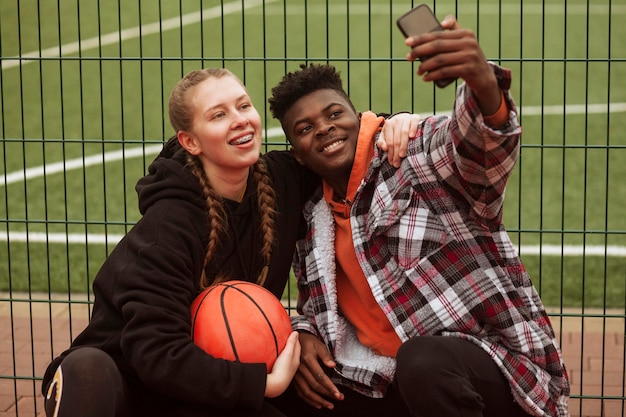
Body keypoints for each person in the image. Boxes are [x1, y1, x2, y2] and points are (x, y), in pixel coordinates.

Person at [40, 68, 420, 417]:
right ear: (190, 141)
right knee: (88, 369)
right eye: (218, 115)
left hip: (210, 376)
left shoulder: (281, 180)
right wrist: (261, 383)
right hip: (134, 383)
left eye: (243, 106)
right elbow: (155, 353)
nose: (240, 120)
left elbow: (340, 140)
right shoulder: (168, 227)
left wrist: (395, 123)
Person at [267, 16, 570, 417]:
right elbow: (319, 310)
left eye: (334, 113)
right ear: (298, 154)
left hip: (490, 368)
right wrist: (303, 335)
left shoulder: (412, 155)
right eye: (305, 128)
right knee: (288, 384)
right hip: (382, 377)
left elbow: (479, 149)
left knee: (423, 362)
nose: (324, 128)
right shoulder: (312, 220)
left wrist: (481, 82)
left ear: (359, 117)